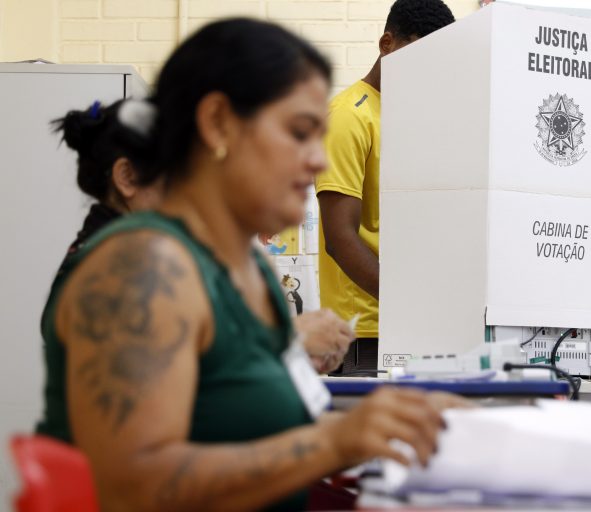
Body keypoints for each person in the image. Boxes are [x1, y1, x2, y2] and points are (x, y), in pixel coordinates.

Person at [37, 19, 466, 511]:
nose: (316, 160)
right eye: (298, 132)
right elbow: (131, 484)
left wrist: (395, 421)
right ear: (219, 123)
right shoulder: (145, 270)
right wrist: (336, 441)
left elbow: (258, 434)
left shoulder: (249, 268)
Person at [42, 100, 354, 377]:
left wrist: (291, 358)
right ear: (128, 177)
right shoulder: (104, 267)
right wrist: (290, 339)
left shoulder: (152, 253)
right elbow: (158, 365)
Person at [316, 0, 455, 375]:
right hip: (365, 336)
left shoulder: (413, 116)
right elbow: (339, 237)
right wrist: (410, 304)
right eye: (418, 57)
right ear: (386, 44)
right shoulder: (349, 116)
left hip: (416, 331)